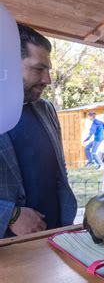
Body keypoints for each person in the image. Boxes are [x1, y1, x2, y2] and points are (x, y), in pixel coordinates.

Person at [0, 24, 77, 238]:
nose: (48, 80)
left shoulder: (46, 109)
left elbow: (58, 172)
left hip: (56, 239)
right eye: (38, 69)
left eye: (48, 70)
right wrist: (11, 216)